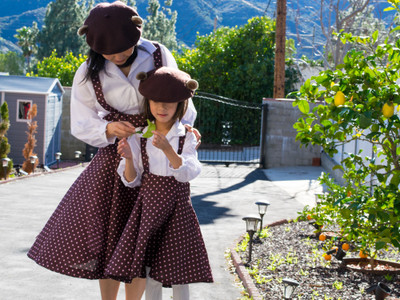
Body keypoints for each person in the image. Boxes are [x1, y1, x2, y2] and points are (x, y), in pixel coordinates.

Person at [27, 1, 198, 300]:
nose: (118, 56)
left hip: (159, 155)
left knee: (141, 246)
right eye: (110, 53)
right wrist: (107, 129)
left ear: (137, 34)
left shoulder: (158, 53)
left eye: (125, 49)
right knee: (112, 240)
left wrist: (184, 128)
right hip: (118, 157)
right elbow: (80, 123)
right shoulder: (85, 73)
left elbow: (177, 93)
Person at [114, 66, 213, 299]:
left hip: (177, 211)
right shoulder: (139, 136)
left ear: (180, 104)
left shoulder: (186, 136)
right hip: (148, 210)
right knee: (151, 272)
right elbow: (131, 181)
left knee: (178, 271)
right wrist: (128, 158)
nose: (162, 107)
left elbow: (189, 172)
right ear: (148, 102)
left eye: (169, 102)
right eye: (156, 101)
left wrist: (169, 150)